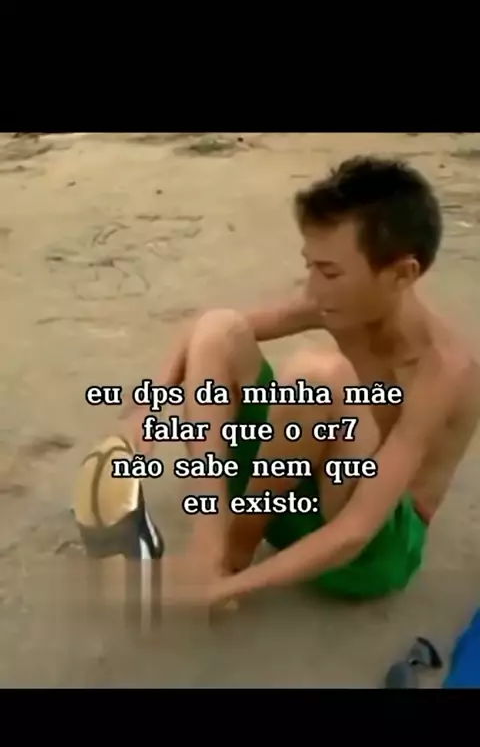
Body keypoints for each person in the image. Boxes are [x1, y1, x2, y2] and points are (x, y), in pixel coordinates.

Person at [73, 155, 480, 609]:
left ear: (402, 274)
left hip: (367, 553)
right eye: (311, 267)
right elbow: (203, 330)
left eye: (330, 272)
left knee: (318, 376)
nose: (314, 288)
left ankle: (231, 563)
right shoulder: (340, 305)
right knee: (220, 330)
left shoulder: (443, 373)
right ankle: (211, 550)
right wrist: (145, 412)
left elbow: (356, 530)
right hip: (293, 503)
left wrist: (227, 592)